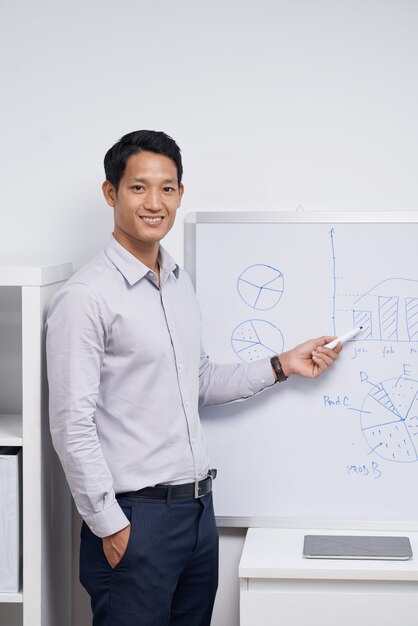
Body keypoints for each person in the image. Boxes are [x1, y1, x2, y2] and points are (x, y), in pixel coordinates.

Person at [46, 130, 342, 626]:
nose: (154, 202)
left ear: (181, 194)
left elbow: (198, 382)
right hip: (135, 520)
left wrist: (281, 363)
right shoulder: (86, 298)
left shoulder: (178, 284)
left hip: (198, 515)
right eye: (139, 187)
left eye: (167, 188)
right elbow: (70, 424)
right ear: (110, 193)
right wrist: (109, 525)